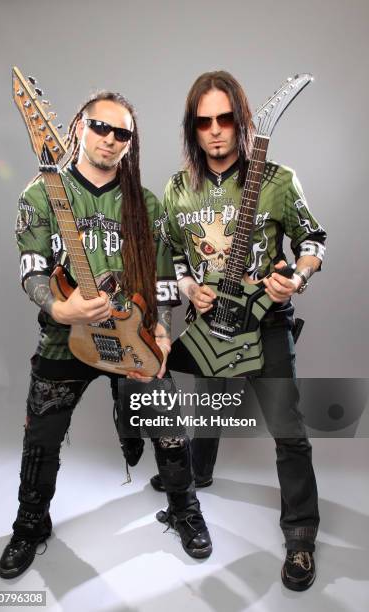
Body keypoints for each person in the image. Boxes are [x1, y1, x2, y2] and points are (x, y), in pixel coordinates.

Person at [0, 91, 212, 579]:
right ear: (76, 126)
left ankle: (184, 509)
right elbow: (31, 268)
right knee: (41, 438)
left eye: (123, 133)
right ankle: (30, 524)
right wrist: (59, 305)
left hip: (130, 331)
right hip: (64, 337)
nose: (111, 139)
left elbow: (161, 277)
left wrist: (159, 330)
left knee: (168, 425)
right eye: (101, 127)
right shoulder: (40, 193)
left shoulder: (145, 202)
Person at [151, 71, 326, 591]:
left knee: (288, 432)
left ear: (242, 120)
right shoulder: (178, 189)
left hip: (265, 322)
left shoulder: (276, 180)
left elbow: (314, 240)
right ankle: (198, 474)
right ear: (192, 128)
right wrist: (186, 287)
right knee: (208, 406)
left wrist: (295, 277)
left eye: (225, 118)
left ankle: (299, 534)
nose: (216, 131)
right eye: (204, 121)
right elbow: (172, 256)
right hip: (208, 324)